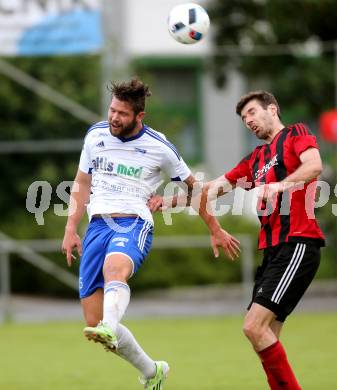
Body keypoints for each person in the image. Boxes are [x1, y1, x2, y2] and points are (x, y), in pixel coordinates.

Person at [61, 78, 240, 390]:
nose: (114, 117)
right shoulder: (96, 135)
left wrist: (214, 227)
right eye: (112, 110)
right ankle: (151, 370)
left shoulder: (160, 147)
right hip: (96, 226)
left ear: (139, 116)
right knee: (93, 321)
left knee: (114, 271)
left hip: (134, 222)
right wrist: (70, 228)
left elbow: (194, 190)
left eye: (122, 113)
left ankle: (110, 324)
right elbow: (82, 183)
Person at [151, 90, 325, 389]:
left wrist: (280, 187)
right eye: (245, 119)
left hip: (298, 242)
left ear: (273, 109)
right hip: (273, 252)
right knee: (266, 336)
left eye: (253, 113)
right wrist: (167, 202)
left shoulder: (296, 134)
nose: (249, 121)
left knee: (253, 327)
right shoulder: (255, 160)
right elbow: (210, 189)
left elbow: (314, 166)